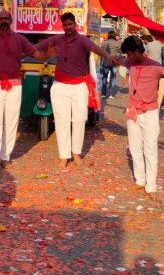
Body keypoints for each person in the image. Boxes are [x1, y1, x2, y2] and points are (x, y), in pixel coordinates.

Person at [0, 10, 55, 174]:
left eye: (6, 18)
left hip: (15, 84)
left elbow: (35, 53)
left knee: (11, 122)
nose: (3, 21)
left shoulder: (19, 39)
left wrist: (46, 55)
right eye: (1, 19)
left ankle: (5, 157)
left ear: (10, 20)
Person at [36, 12, 112, 171]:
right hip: (60, 86)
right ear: (62, 26)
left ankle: (76, 153)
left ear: (75, 25)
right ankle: (64, 156)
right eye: (65, 25)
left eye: (70, 24)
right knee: (61, 121)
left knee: (79, 120)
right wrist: (21, 53)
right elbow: (37, 48)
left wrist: (108, 57)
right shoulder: (56, 39)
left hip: (79, 86)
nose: (68, 27)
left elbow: (96, 49)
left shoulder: (83, 40)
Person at [103, 35, 164, 194]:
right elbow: (120, 60)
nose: (128, 57)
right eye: (127, 55)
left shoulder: (155, 66)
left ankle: (151, 185)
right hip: (132, 111)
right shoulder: (130, 62)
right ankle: (140, 180)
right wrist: (112, 58)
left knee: (150, 150)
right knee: (135, 148)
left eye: (130, 54)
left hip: (150, 113)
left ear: (137, 51)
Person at [100, 31, 122, 98]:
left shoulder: (104, 42)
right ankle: (110, 94)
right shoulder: (117, 43)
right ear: (114, 36)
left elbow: (101, 53)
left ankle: (103, 94)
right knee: (112, 78)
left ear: (108, 35)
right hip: (114, 62)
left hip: (106, 62)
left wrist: (101, 62)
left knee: (104, 77)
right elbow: (120, 52)